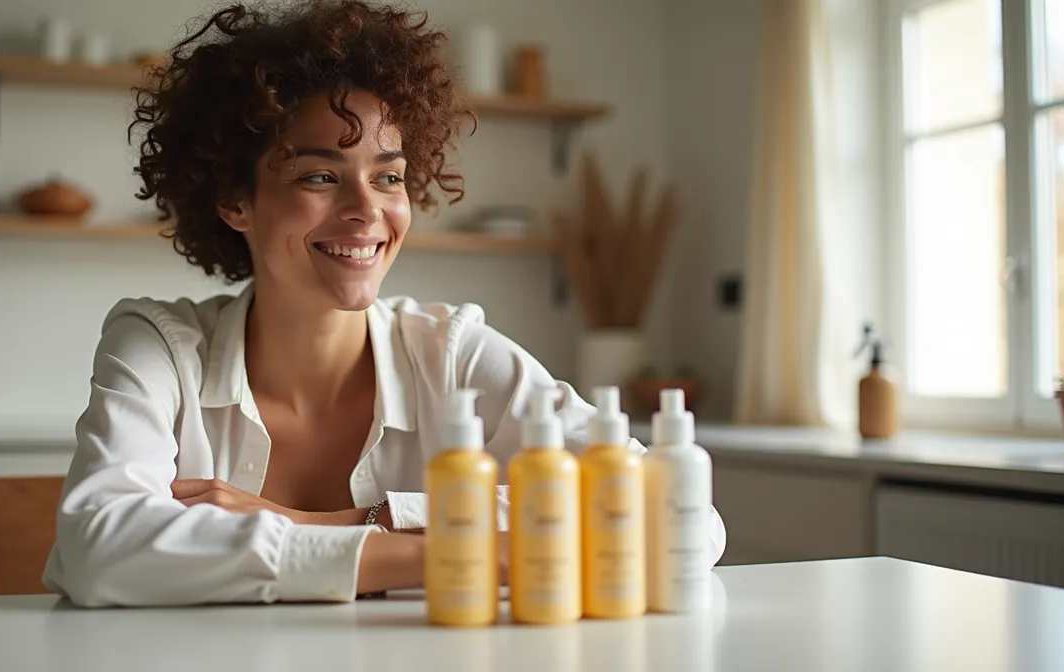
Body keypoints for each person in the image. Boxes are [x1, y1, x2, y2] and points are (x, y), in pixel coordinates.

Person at [42, 0, 726, 608]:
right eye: (319, 176)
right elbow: (99, 548)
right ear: (234, 200)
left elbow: (684, 517)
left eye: (389, 177)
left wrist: (337, 523)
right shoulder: (157, 346)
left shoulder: (450, 350)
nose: (366, 212)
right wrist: (461, 553)